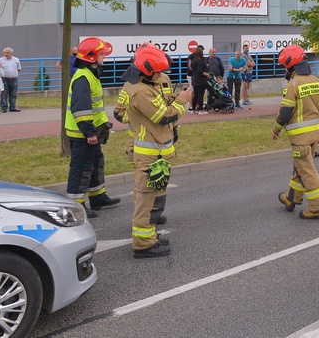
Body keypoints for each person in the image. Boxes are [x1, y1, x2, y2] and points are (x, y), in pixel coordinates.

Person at [118, 44, 191, 258]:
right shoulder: (140, 91)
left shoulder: (147, 85)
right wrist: (182, 101)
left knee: (156, 196)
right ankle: (143, 244)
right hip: (150, 155)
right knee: (147, 198)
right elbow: (164, 116)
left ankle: (149, 237)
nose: (161, 74)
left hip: (157, 153)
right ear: (147, 70)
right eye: (157, 71)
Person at [273, 45, 319, 220]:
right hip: (313, 135)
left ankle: (318, 207)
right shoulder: (316, 81)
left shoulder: (293, 84)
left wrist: (276, 129)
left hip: (300, 138)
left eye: (285, 65)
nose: (284, 68)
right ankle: (291, 199)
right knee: (301, 167)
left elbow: (285, 113)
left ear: (291, 65)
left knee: (306, 170)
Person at [64, 37, 120, 217]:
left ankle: (97, 197)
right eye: (102, 54)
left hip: (91, 131)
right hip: (83, 133)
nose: (104, 56)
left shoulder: (90, 74)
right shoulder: (83, 78)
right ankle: (76, 206)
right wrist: (88, 132)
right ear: (92, 57)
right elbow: (81, 108)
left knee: (95, 163)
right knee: (81, 169)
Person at [0, 47, 22, 112]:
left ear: (11, 53)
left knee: (13, 94)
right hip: (4, 79)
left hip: (14, 79)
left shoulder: (16, 60)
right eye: (5, 53)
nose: (6, 54)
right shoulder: (0, 60)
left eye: (8, 53)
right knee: (4, 94)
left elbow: (19, 69)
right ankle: (4, 108)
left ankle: (12, 107)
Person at [189, 46, 210, 114]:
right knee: (201, 95)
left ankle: (193, 109)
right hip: (200, 80)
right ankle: (201, 110)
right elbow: (199, 71)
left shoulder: (193, 61)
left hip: (194, 79)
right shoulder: (200, 61)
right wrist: (206, 74)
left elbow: (193, 69)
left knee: (196, 95)